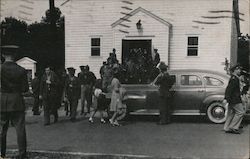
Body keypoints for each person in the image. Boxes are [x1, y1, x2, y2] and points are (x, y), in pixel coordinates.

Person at [0, 45, 29, 159]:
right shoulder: (21, 70)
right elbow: (25, 89)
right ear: (15, 55)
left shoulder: (0, 69)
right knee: (20, 129)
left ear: (3, 55)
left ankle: (2, 154)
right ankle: (22, 154)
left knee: (2, 129)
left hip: (2, 101)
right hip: (17, 101)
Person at [223, 64, 245, 134]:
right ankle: (233, 127)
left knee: (231, 113)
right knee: (241, 112)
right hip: (235, 99)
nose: (240, 71)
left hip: (232, 99)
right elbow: (229, 89)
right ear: (235, 70)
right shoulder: (234, 79)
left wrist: (227, 98)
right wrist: (226, 98)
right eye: (239, 69)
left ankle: (226, 127)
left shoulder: (234, 78)